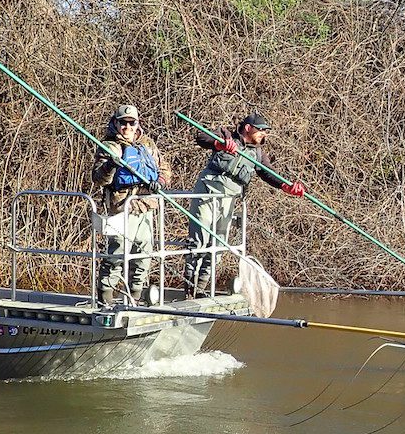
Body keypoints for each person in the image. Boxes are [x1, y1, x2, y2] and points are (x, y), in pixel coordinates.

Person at [183, 112, 304, 296]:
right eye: (261, 130)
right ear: (248, 128)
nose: (264, 134)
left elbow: (268, 173)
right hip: (208, 190)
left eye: (266, 131)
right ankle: (188, 285)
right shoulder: (227, 135)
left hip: (229, 198)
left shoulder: (257, 153)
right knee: (200, 237)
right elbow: (202, 137)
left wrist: (286, 186)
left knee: (219, 243)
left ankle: (201, 287)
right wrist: (219, 143)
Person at [92, 104, 173, 305]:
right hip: (121, 208)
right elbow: (98, 179)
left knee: (143, 255)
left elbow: (165, 169)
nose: (127, 127)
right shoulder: (108, 146)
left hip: (145, 205)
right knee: (116, 255)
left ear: (137, 124)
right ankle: (105, 300)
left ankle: (134, 299)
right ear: (115, 123)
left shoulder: (148, 144)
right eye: (123, 123)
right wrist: (110, 165)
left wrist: (160, 182)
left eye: (131, 123)